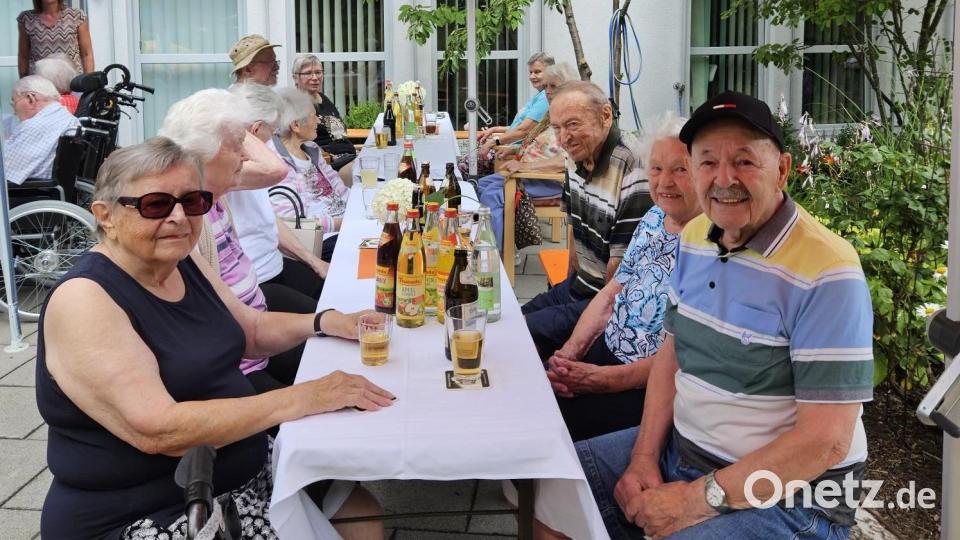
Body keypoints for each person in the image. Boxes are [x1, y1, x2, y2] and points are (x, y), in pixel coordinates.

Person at [37, 137, 392, 540]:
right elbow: (160, 430)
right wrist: (305, 397)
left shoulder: (181, 259)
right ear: (106, 216)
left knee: (361, 512)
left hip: (239, 473)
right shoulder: (85, 299)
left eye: (192, 202)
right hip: (152, 510)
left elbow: (250, 331)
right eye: (155, 204)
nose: (178, 217)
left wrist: (327, 321)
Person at [575, 91, 874, 540]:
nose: (724, 178)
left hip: (792, 496)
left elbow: (825, 441)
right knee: (557, 488)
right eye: (708, 162)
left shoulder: (828, 270)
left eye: (744, 161)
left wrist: (692, 501)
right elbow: (672, 355)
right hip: (685, 452)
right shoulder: (695, 236)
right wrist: (642, 458)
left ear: (783, 169)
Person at [544, 113, 699, 442]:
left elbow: (681, 358)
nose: (664, 182)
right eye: (656, 168)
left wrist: (599, 380)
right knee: (536, 388)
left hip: (645, 386)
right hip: (605, 352)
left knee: (550, 425)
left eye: (680, 170)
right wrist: (570, 354)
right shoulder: (654, 217)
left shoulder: (708, 245)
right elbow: (611, 293)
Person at [523, 81, 652, 360]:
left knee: (522, 337)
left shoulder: (632, 166)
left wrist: (581, 331)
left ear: (605, 116)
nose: (563, 138)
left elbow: (619, 275)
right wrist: (564, 286)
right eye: (556, 128)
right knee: (510, 323)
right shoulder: (576, 155)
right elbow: (573, 226)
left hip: (605, 301)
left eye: (572, 124)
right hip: (580, 284)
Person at [477, 62, 574, 254]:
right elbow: (541, 145)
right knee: (481, 184)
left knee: (492, 194)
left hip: (549, 181)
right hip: (530, 175)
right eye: (546, 86)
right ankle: (500, 241)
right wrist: (514, 151)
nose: (547, 91)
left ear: (568, 88)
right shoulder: (552, 114)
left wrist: (524, 167)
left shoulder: (570, 120)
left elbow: (566, 161)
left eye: (553, 86)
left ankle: (494, 255)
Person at [271, 86, 348, 238]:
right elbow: (293, 222)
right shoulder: (278, 164)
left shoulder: (311, 149)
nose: (319, 121)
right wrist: (344, 224)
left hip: (344, 222)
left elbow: (339, 187)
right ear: (296, 125)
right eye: (314, 116)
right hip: (322, 238)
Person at [460, 52, 555, 176]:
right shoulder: (540, 95)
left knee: (464, 166)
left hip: (512, 153)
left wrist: (493, 142)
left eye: (537, 72)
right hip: (509, 148)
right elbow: (520, 126)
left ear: (550, 72)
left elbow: (523, 130)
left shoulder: (545, 98)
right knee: (465, 162)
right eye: (530, 72)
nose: (532, 76)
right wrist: (495, 129)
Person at [292, 53, 357, 185]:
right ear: (295, 77)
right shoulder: (296, 105)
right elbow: (299, 143)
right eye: (308, 73)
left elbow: (339, 133)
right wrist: (330, 157)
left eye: (318, 72)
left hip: (348, 157)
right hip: (328, 166)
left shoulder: (323, 98)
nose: (315, 77)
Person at [3, 75, 79, 185]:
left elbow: (5, 170)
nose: (14, 112)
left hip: (28, 190)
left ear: (30, 99)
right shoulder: (69, 119)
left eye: (14, 103)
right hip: (51, 188)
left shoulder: (34, 126)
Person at [17, 0, 94, 77]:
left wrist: (89, 81)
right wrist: (24, 80)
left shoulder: (76, 16)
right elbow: (23, 56)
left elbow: (86, 54)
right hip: (39, 81)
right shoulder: (26, 19)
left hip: (72, 80)